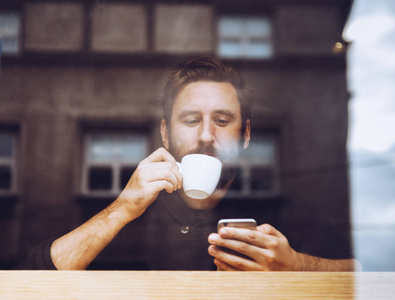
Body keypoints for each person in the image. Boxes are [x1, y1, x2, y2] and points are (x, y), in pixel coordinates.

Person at [18, 57, 357, 271]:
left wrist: (295, 265)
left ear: (247, 135)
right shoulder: (134, 214)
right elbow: (27, 283)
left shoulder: (283, 209)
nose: (207, 135)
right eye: (192, 120)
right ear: (165, 132)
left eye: (222, 121)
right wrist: (120, 209)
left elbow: (368, 275)